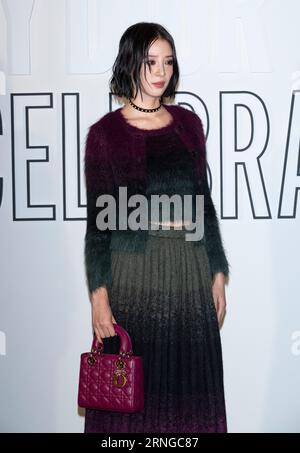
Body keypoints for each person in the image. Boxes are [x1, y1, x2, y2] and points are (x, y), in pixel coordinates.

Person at [83, 22, 230, 433]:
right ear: (131, 63)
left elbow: (203, 202)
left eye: (167, 61)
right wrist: (98, 298)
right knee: (134, 402)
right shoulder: (104, 135)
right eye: (150, 62)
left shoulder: (189, 125)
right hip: (134, 278)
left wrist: (217, 271)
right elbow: (98, 225)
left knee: (189, 397)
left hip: (189, 271)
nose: (160, 71)